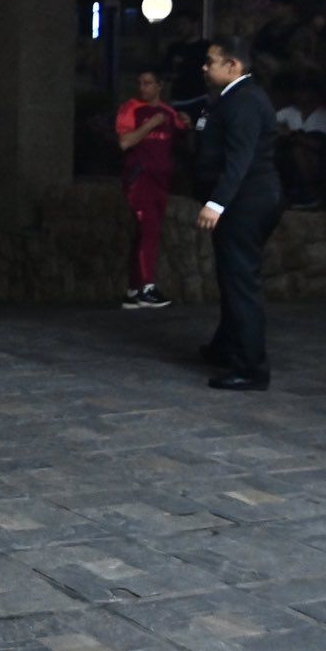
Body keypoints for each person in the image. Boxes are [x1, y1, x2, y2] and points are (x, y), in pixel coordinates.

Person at [194, 37, 281, 391]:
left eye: (211, 61)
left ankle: (250, 367)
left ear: (233, 66)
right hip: (247, 200)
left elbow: (240, 159)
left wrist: (217, 203)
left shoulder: (244, 101)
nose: (205, 66)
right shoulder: (235, 98)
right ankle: (226, 345)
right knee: (233, 276)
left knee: (241, 281)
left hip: (245, 203)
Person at [116, 70, 181, 308]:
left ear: (159, 85)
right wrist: (151, 124)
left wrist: (197, 120)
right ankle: (146, 287)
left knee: (146, 232)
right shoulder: (131, 109)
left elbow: (185, 130)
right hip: (139, 179)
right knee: (149, 228)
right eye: (139, 83)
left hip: (161, 181)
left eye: (148, 83)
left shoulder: (169, 112)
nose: (142, 88)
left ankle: (134, 289)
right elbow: (125, 142)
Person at [273, 79, 326, 210]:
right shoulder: (290, 111)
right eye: (298, 91)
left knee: (299, 151)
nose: (300, 95)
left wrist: (292, 135)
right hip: (289, 159)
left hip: (318, 159)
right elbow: (269, 123)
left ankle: (311, 194)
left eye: (305, 91)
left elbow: (318, 143)